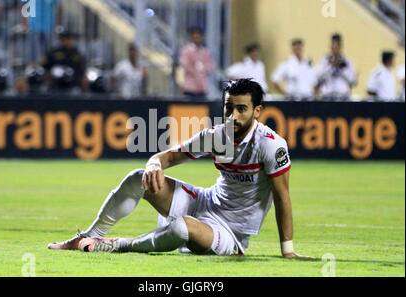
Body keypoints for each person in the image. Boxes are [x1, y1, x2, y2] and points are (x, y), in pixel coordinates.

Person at [48, 79, 311, 259]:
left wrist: (287, 250)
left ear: (258, 111)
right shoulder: (215, 136)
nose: (233, 116)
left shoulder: (270, 145)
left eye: (242, 109)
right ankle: (87, 237)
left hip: (230, 232)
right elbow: (167, 157)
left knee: (181, 229)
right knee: (137, 178)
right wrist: (153, 164)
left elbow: (281, 196)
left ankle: (117, 246)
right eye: (229, 108)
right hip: (206, 203)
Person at [41, 28, 88, 93]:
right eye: (65, 39)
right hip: (56, 85)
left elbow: (82, 70)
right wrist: (48, 81)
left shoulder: (77, 54)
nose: (68, 41)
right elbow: (46, 67)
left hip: (73, 85)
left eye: (69, 39)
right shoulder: (53, 53)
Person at [315, 33, 357, 100]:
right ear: (331, 46)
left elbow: (352, 80)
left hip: (343, 96)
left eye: (338, 46)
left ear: (341, 47)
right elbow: (318, 77)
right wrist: (329, 66)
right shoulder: (324, 60)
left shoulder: (347, 62)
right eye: (334, 45)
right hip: (327, 96)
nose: (335, 48)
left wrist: (340, 69)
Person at [179, 27, 215, 99]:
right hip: (190, 88)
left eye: (198, 37)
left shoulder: (205, 51)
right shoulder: (186, 50)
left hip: (202, 88)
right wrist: (197, 70)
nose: (197, 39)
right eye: (194, 37)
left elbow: (210, 66)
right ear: (191, 37)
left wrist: (202, 68)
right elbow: (185, 65)